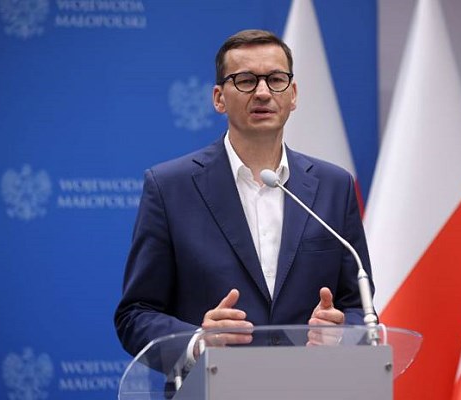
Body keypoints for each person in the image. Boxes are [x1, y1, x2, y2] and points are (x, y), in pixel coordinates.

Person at [114, 29, 374, 359]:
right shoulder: (169, 187)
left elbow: (359, 308)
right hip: (213, 382)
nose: (263, 92)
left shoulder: (334, 186)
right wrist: (198, 342)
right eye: (246, 80)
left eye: (275, 79)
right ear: (219, 98)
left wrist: (340, 334)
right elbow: (136, 314)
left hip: (311, 381)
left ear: (293, 95)